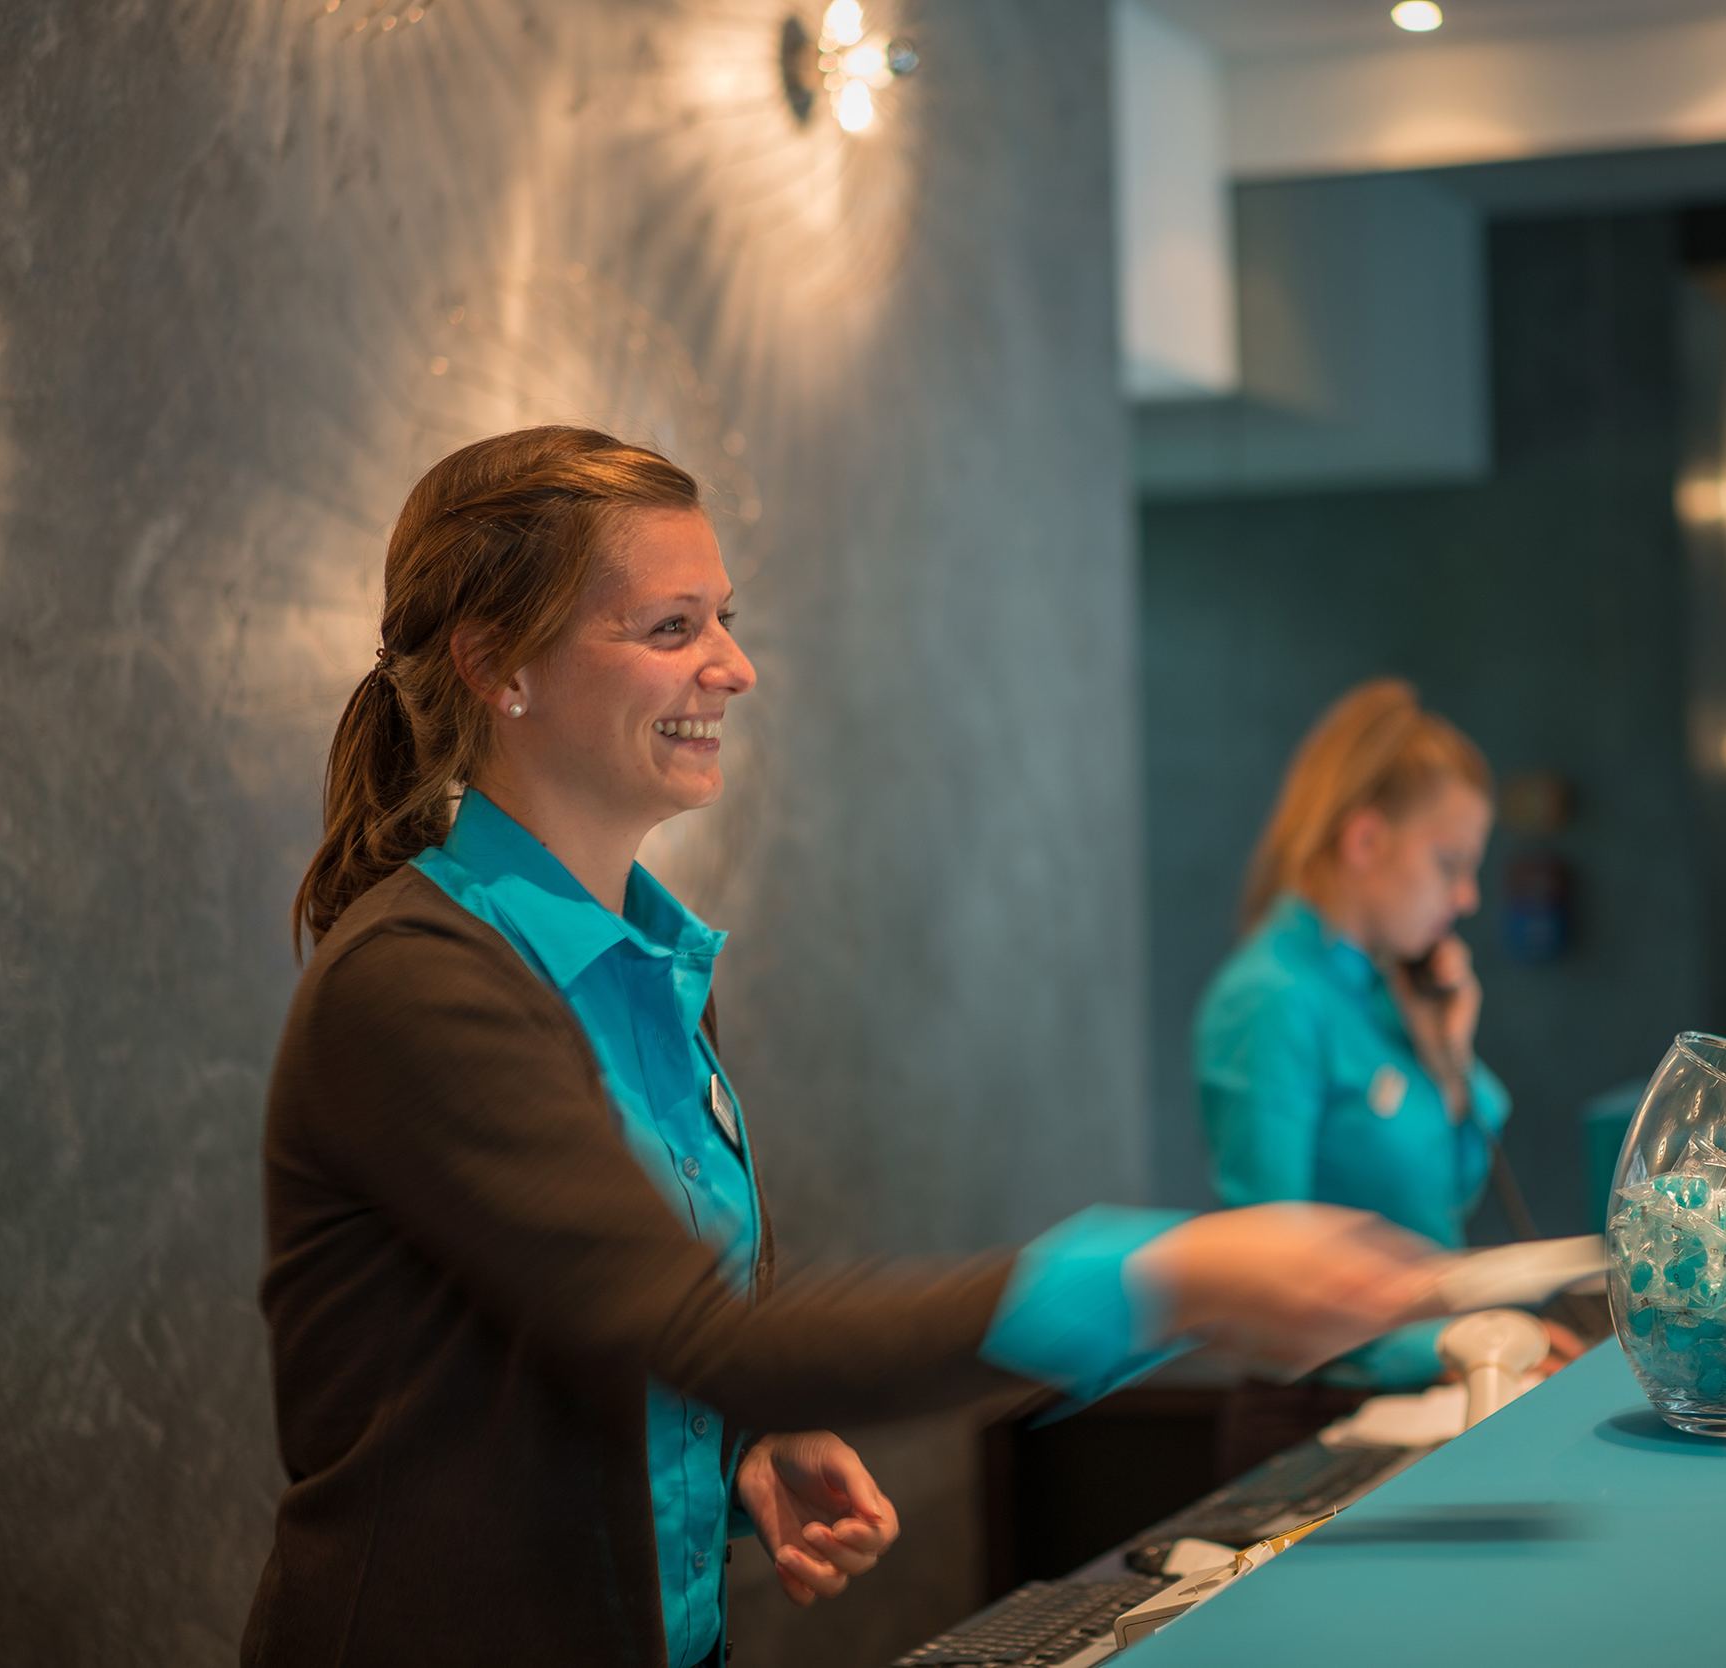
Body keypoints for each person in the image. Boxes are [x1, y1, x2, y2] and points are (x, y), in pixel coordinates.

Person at [247, 428, 1444, 1668]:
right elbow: (700, 1333)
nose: (735, 667)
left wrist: (733, 1450)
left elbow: (591, 1336)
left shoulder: (651, 965)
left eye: (724, 620)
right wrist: (1163, 1276)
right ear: (498, 663)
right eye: (672, 628)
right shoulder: (416, 981)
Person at [1191, 680, 1581, 1392]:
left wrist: (1447, 1061)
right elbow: (1267, 1295)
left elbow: (1448, 1199)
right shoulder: (1269, 1001)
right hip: (1321, 1416)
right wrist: (1464, 1345)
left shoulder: (1389, 994)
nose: (1467, 898)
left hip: (1427, 1388)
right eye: (1449, 864)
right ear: (1366, 840)